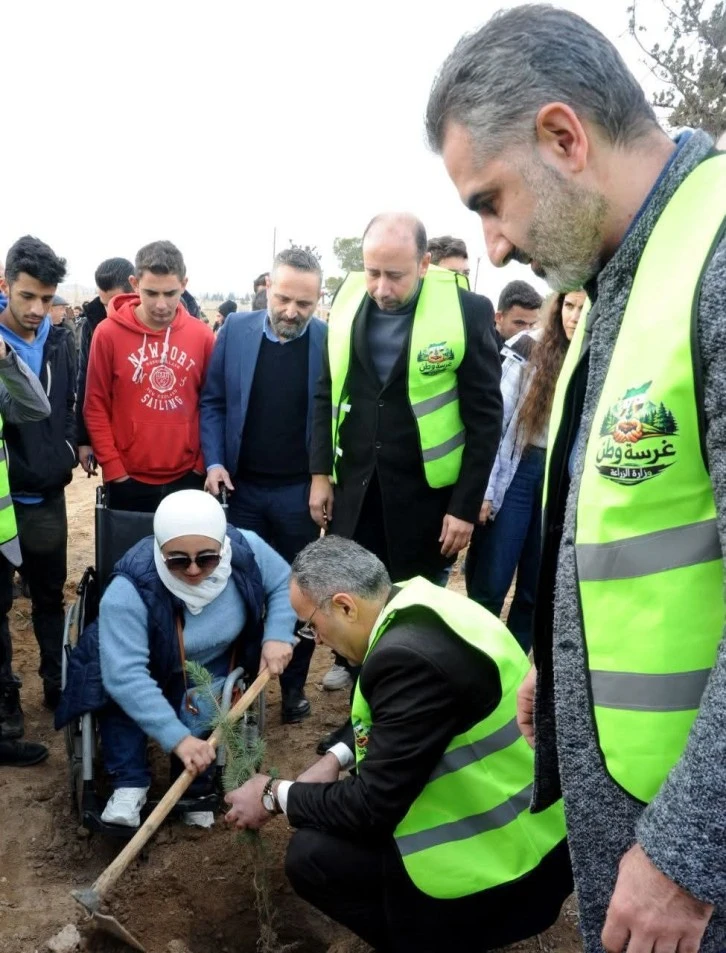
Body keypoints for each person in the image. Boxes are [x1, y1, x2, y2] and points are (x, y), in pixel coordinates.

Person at [427, 6, 726, 952]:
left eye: (490, 201)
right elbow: (625, 525)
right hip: (636, 801)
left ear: (564, 137)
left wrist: (687, 854)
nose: (493, 246)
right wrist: (564, 674)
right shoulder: (613, 281)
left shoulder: (715, 264)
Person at [223, 535, 572, 952]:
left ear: (345, 606)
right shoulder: (419, 604)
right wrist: (336, 757)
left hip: (506, 869)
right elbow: (401, 717)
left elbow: (370, 808)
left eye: (312, 625)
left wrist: (272, 795)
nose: (316, 640)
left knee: (312, 857)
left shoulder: (405, 659)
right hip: (537, 833)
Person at [56, 490, 298, 827]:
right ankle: (129, 783)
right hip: (139, 663)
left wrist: (277, 635)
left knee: (204, 698)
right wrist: (177, 739)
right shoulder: (128, 589)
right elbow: (126, 676)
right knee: (119, 705)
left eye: (207, 558)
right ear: (160, 551)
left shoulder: (246, 548)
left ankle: (195, 789)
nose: (194, 569)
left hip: (210, 662)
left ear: (223, 546)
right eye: (178, 560)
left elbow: (285, 583)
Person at [310, 212, 502, 584]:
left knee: (410, 608)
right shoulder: (347, 302)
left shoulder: (466, 311)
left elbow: (486, 420)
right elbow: (325, 392)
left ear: (424, 264)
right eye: (373, 273)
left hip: (425, 508)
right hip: (353, 498)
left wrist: (464, 508)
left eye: (395, 276)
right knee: (351, 602)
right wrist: (320, 475)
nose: (382, 289)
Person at [201, 248, 326, 724]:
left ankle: (292, 689)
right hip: (242, 491)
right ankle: (240, 687)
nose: (292, 312)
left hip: (299, 495)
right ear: (268, 288)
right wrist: (215, 462)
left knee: (300, 591)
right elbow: (213, 402)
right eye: (284, 299)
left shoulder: (328, 341)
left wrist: (323, 479)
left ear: (319, 300)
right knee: (241, 588)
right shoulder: (234, 330)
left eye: (304, 304)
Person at [466, 290, 585, 651]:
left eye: (583, 308)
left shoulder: (598, 353)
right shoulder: (527, 347)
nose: (574, 316)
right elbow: (496, 420)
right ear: (557, 306)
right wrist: (485, 490)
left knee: (537, 584)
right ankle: (477, 660)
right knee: (493, 577)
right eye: (568, 306)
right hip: (518, 469)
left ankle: (515, 661)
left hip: (561, 475)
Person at [0, 236, 76, 722]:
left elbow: (69, 401)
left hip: (46, 495)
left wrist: (66, 448)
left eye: (46, 299)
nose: (37, 309)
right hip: (2, 499)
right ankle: (6, 700)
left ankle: (55, 683)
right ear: (5, 285)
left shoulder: (60, 340)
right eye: (27, 296)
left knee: (49, 596)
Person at [84, 241, 215, 512]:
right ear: (134, 284)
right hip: (127, 478)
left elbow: (212, 404)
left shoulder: (202, 335)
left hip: (187, 476)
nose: (161, 304)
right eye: (151, 293)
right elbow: (95, 405)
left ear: (184, 284)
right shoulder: (107, 334)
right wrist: (114, 469)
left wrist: (201, 465)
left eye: (170, 293)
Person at [76, 257, 134, 476]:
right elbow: (85, 382)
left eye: (117, 302)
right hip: (108, 438)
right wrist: (84, 439)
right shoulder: (93, 325)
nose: (111, 310)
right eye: (104, 304)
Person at [493, 280, 543, 351]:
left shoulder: (533, 348)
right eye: (520, 323)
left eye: (532, 324)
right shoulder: (480, 349)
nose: (527, 331)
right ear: (499, 318)